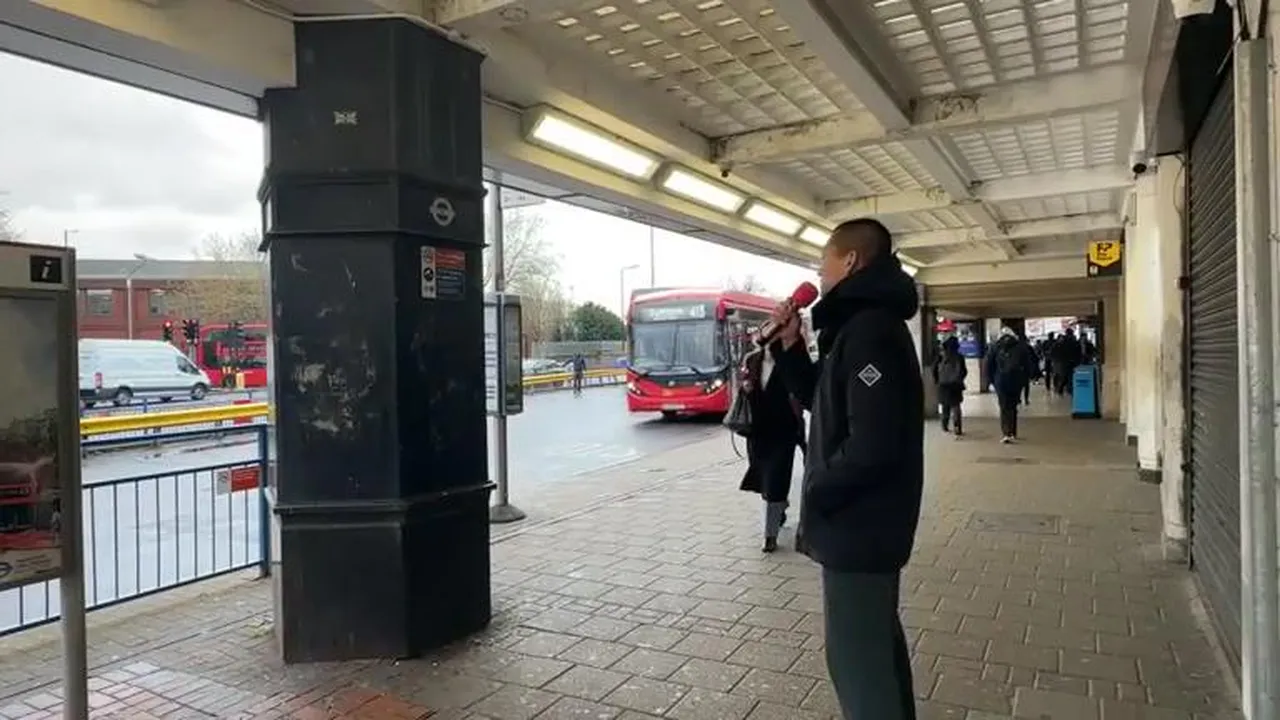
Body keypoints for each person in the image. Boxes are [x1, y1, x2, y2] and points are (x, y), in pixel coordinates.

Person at [769, 217, 924, 720]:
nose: (820, 271)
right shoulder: (858, 327)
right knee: (875, 653)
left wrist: (819, 486)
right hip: (864, 525)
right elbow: (822, 397)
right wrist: (790, 344)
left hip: (860, 525)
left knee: (858, 664)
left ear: (851, 260)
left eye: (824, 261)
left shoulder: (870, 331)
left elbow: (873, 444)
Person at [737, 337, 805, 553]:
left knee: (775, 479)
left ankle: (770, 536)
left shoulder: (790, 360)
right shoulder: (751, 359)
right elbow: (743, 387)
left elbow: (803, 393)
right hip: (757, 432)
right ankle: (780, 506)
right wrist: (746, 388)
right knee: (765, 480)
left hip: (784, 430)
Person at [984, 327, 1032, 443]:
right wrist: (1023, 380)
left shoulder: (994, 347)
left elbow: (988, 366)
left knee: (1004, 407)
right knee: (1013, 406)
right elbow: (1028, 366)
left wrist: (992, 381)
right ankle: (1013, 432)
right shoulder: (1020, 347)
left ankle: (1006, 433)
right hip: (1016, 381)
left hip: (1000, 381)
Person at [931, 336, 967, 438]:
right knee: (956, 406)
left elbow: (934, 369)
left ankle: (945, 425)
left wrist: (937, 380)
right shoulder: (959, 357)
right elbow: (964, 371)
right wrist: (960, 379)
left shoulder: (941, 356)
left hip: (943, 385)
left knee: (945, 406)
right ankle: (957, 427)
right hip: (956, 385)